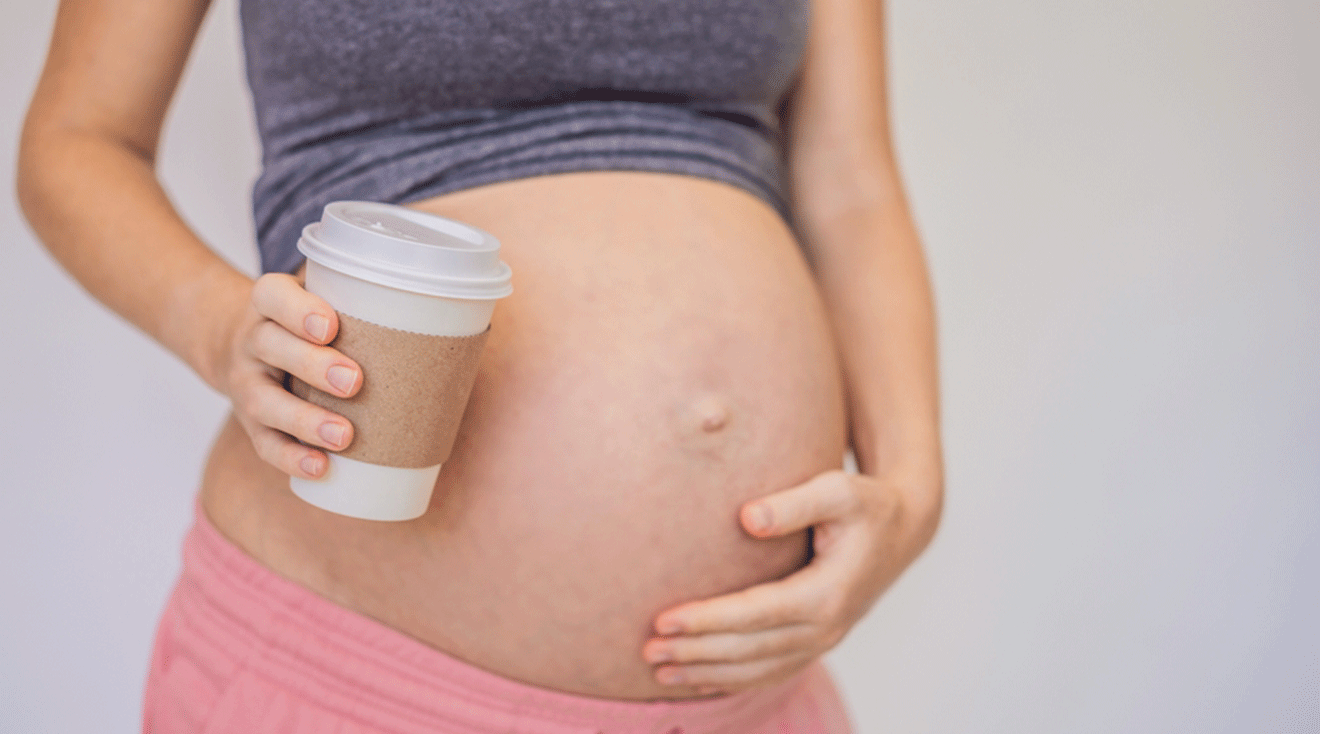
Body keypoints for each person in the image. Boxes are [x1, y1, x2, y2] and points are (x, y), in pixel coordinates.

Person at [18, 0, 944, 731]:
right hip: (366, 679)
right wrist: (219, 327)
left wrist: (912, 489)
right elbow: (78, 138)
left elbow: (853, 184)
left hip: (749, 703)